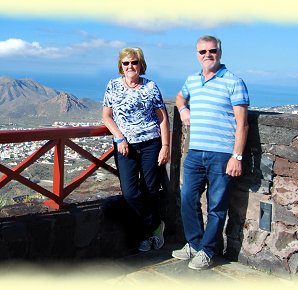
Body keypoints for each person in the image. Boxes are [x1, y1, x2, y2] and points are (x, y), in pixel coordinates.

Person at [172, 35, 249, 270]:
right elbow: (178, 98)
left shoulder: (234, 82)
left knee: (216, 206)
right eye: (203, 51)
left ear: (220, 52)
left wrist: (236, 156)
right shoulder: (192, 80)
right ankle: (195, 244)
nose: (208, 55)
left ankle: (207, 251)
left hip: (221, 155)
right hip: (195, 152)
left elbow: (242, 123)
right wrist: (183, 109)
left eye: (212, 51)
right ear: (197, 54)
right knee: (187, 199)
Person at [102, 47, 170, 252]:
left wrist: (165, 146)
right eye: (126, 63)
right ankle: (156, 225)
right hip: (125, 147)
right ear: (120, 66)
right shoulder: (113, 86)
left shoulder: (151, 87)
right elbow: (106, 116)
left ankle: (147, 236)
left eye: (134, 62)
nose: (130, 66)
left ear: (141, 64)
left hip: (151, 144)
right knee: (131, 193)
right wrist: (119, 137)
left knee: (150, 190)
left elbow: (163, 118)